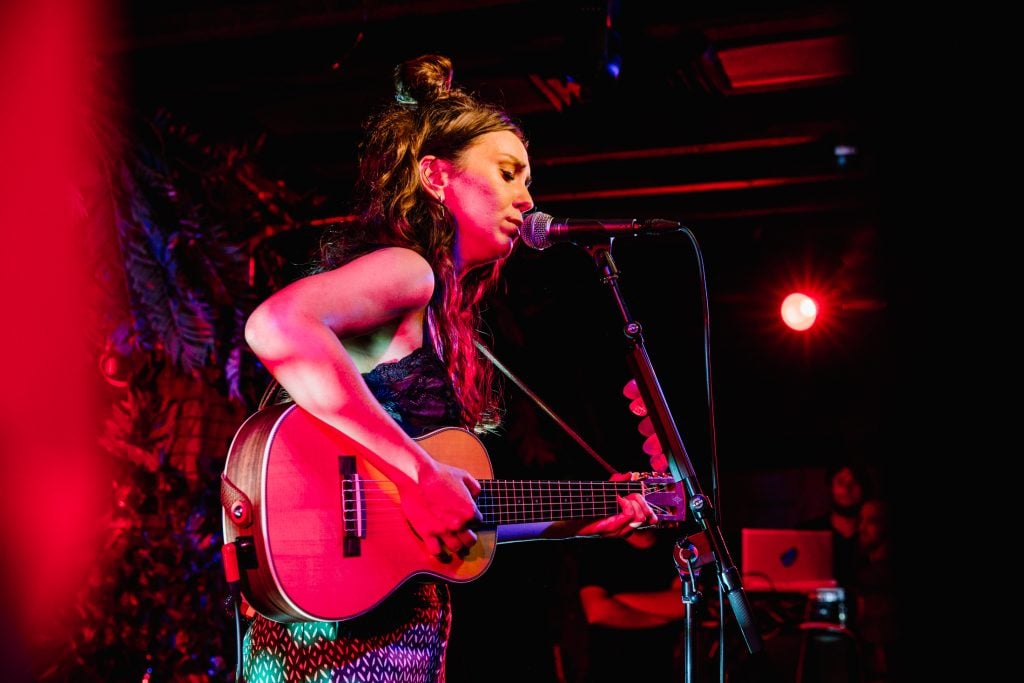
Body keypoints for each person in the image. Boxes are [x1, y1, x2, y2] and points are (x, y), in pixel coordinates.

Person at [240, 53, 657, 683]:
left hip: (389, 629)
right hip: (344, 643)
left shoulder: (443, 314)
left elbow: (433, 520)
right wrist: (419, 470)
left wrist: (590, 516)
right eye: (509, 172)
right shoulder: (408, 269)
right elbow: (274, 325)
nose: (528, 196)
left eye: (528, 179)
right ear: (437, 177)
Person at [573, 527, 686, 683]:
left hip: (661, 670)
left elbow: (682, 605)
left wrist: (619, 600)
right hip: (607, 672)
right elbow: (598, 612)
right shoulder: (598, 548)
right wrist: (665, 617)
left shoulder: (676, 547)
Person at [796, 460, 873, 589]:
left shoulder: (874, 534)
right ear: (831, 487)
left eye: (854, 482)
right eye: (840, 482)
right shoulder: (809, 533)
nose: (847, 489)